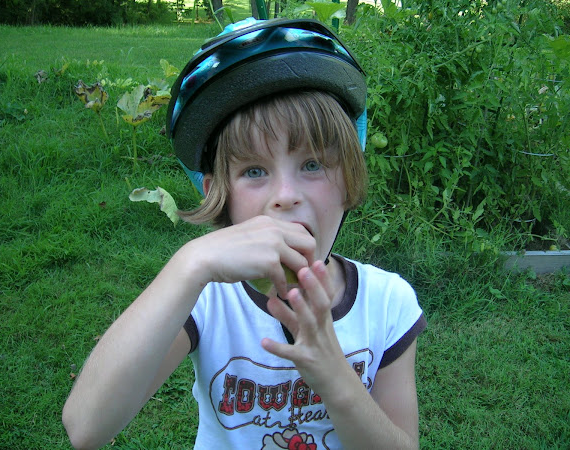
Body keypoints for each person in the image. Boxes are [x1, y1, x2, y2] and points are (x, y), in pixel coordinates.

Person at [62, 18, 427, 449]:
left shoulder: (387, 303)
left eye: (312, 164)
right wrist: (189, 264)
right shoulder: (208, 300)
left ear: (348, 178)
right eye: (254, 171)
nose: (285, 196)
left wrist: (336, 379)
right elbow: (86, 426)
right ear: (220, 196)